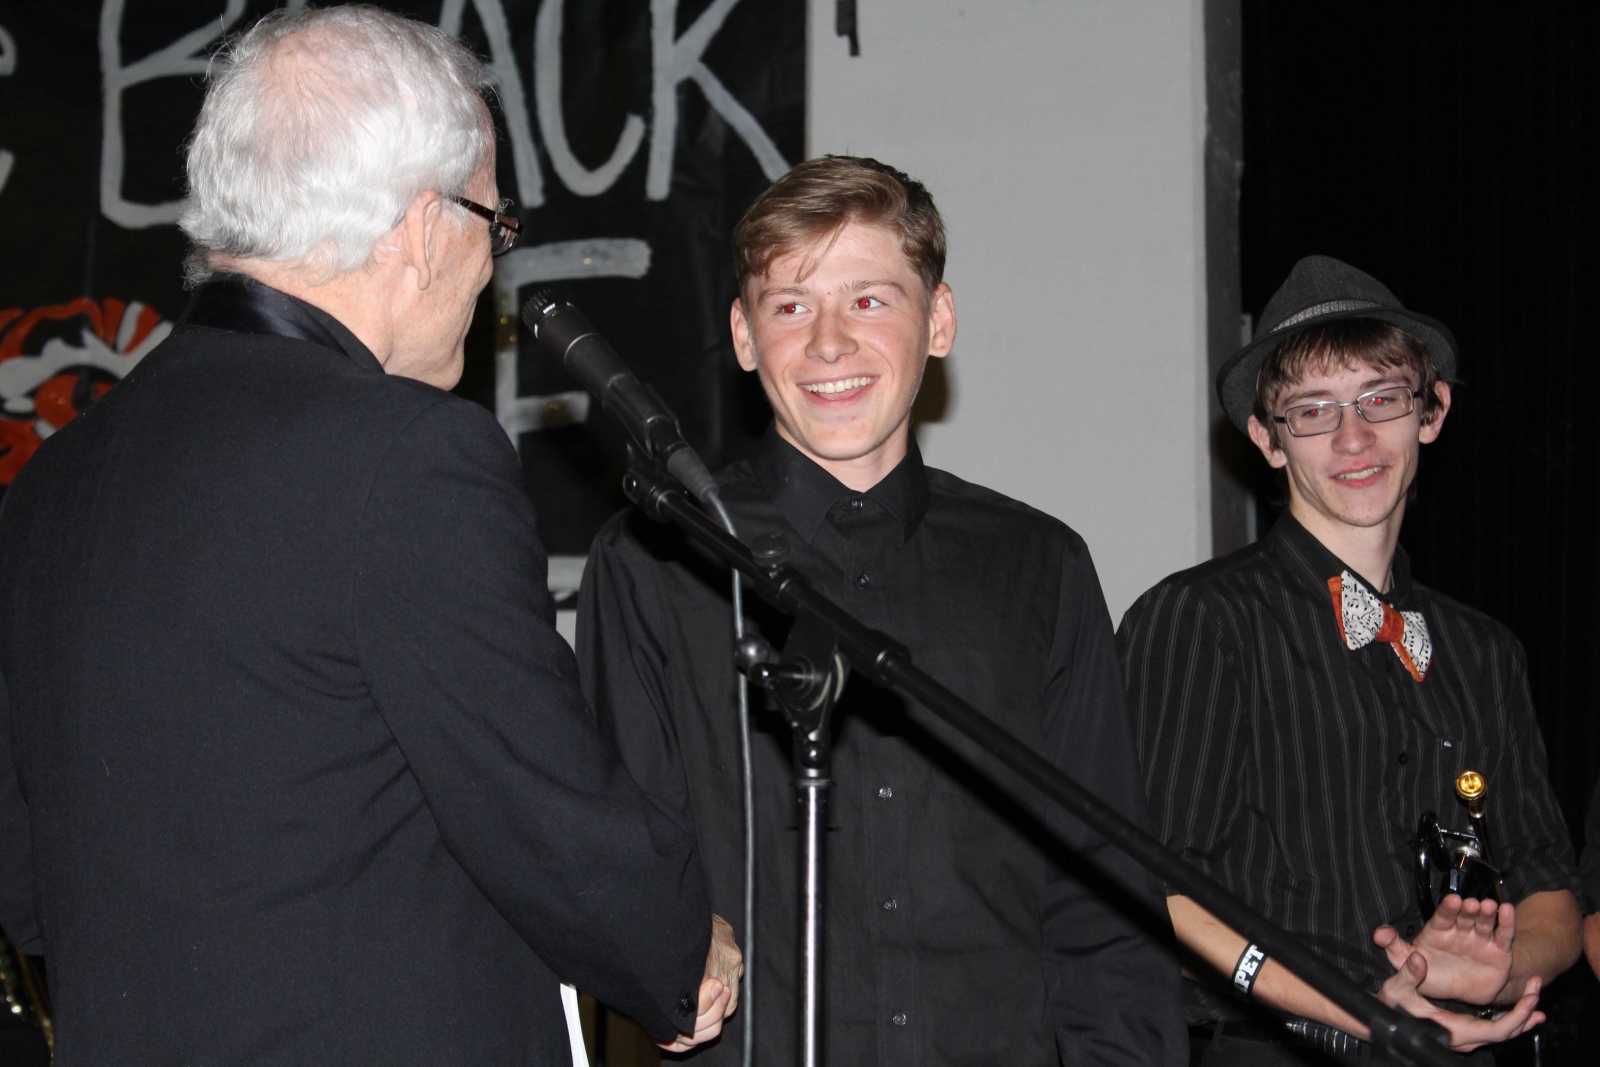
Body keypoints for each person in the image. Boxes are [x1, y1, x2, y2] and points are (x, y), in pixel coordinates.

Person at [0, 7, 740, 1063]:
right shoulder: (407, 456)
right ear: (424, 226)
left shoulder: (49, 482)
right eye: (495, 223)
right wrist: (678, 949)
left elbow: (27, 885)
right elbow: (543, 808)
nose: (489, 266)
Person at [576, 154, 1186, 1065]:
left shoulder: (1038, 566)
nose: (829, 343)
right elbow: (621, 866)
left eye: (868, 300)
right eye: (792, 306)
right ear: (744, 336)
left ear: (938, 321)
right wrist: (670, 938)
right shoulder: (653, 562)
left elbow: (1105, 908)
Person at [1118, 254, 1582, 1062]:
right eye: (1313, 410)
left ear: (1432, 410)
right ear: (1267, 439)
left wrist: (1495, 969)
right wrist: (1368, 1009)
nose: (1354, 436)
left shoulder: (1486, 651)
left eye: (1381, 398)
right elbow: (1153, 885)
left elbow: (1553, 895)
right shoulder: (1200, 619)